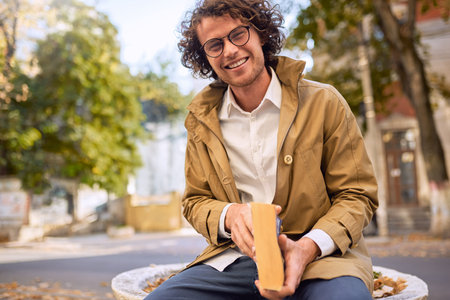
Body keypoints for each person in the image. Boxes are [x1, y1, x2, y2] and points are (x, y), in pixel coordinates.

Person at [145, 0, 378, 299]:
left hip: (324, 260)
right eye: (214, 45)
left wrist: (306, 248)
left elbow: (357, 194)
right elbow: (195, 201)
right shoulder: (200, 121)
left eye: (238, 34)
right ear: (205, 57)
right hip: (237, 261)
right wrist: (231, 215)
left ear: (261, 34)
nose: (229, 50)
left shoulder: (324, 102)